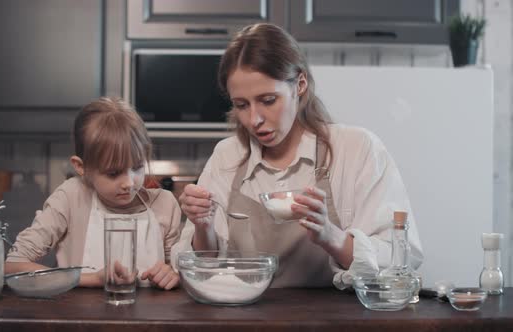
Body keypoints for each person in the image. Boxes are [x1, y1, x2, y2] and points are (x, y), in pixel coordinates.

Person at [173, 23, 423, 289]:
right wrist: (203, 225)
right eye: (242, 105)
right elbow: (201, 266)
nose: (254, 119)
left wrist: (330, 235)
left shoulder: (357, 149)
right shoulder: (227, 156)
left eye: (268, 100)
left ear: (300, 84)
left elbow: (402, 260)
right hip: (246, 319)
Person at [6, 97, 181, 290]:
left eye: (137, 168)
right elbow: (13, 266)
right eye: (113, 173)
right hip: (79, 317)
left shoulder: (165, 204)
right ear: (81, 167)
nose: (129, 183)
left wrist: (172, 274)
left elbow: (178, 270)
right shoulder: (70, 197)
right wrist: (93, 279)